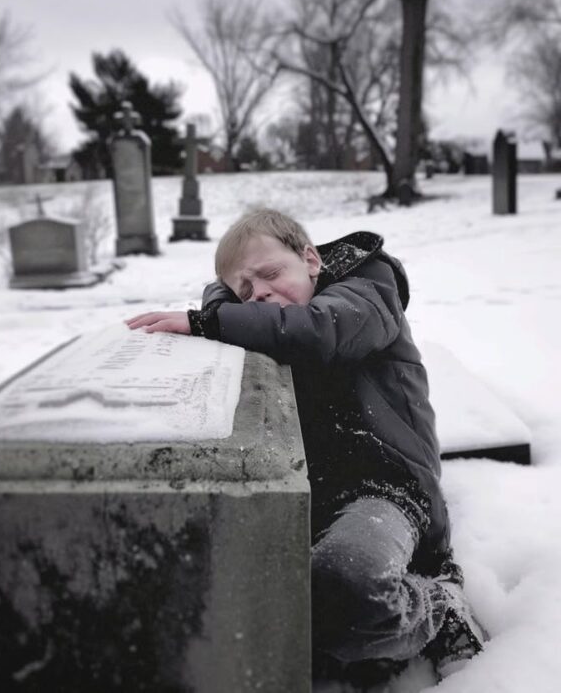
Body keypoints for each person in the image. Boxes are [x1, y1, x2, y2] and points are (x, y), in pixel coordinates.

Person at [126, 208, 487, 684]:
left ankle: (439, 610)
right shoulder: (263, 313)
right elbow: (244, 304)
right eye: (245, 292)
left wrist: (208, 320)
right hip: (313, 496)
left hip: (387, 490)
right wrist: (224, 299)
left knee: (346, 583)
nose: (261, 296)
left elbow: (320, 332)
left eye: (272, 274)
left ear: (312, 260)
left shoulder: (368, 290)